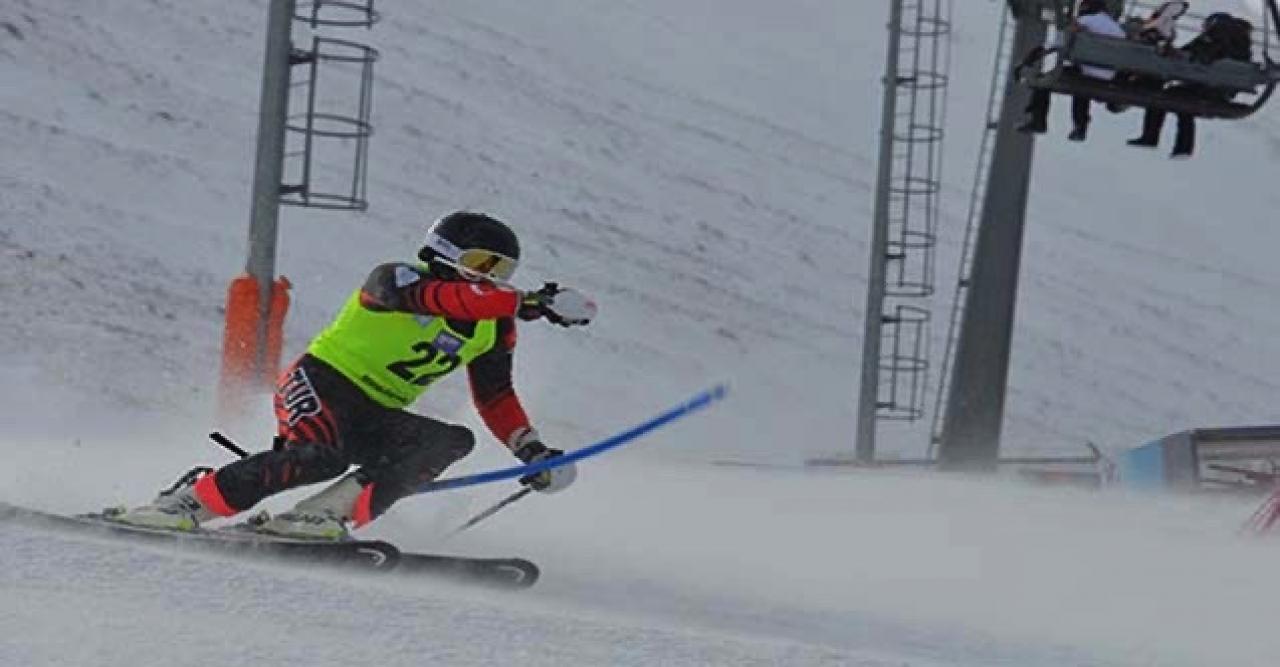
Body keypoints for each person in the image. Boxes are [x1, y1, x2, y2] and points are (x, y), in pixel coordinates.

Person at [112, 211, 593, 540]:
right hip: (323, 384)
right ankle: (185, 504)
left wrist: (531, 451)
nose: (491, 277)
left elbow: (496, 396)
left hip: (378, 411)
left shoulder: (494, 324)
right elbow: (451, 300)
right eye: (480, 265)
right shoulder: (399, 279)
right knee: (319, 456)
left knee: (448, 440)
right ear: (443, 254)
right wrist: (528, 300)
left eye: (501, 270)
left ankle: (322, 515)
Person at [1127, 12, 1254, 159]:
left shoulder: (1217, 35)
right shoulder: (1242, 48)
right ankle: (1182, 148)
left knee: (1162, 97)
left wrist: (1172, 52)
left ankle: (1151, 137)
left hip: (1207, 88)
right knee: (1184, 106)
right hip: (1221, 92)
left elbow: (1194, 53)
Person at [1019, 0, 1127, 141]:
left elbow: (1056, 44)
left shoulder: (1084, 21)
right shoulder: (1118, 30)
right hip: (1108, 77)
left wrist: (1028, 60)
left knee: (1044, 80)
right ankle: (1080, 127)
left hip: (1085, 72)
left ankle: (1038, 120)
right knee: (1081, 85)